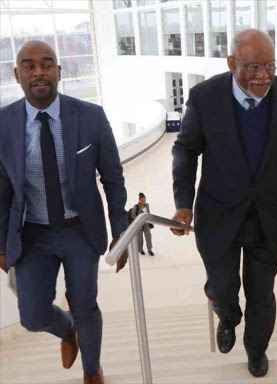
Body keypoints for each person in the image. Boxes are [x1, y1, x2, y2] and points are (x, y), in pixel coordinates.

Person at [171, 29, 277, 377]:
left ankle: (256, 349)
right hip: (217, 214)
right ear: (232, 63)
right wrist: (183, 204)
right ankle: (227, 314)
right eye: (253, 67)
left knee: (261, 293)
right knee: (224, 287)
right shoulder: (204, 98)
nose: (263, 76)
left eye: (269, 66)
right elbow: (186, 151)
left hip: (269, 215)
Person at [0, 40, 129, 384]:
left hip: (80, 230)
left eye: (47, 64)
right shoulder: (4, 122)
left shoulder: (90, 116)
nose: (39, 71)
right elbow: (1, 190)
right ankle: (67, 329)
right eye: (29, 65)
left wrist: (122, 230)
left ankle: (92, 371)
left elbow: (113, 178)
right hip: (31, 235)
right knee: (31, 315)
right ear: (17, 74)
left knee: (86, 304)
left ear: (59, 71)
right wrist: (1, 243)